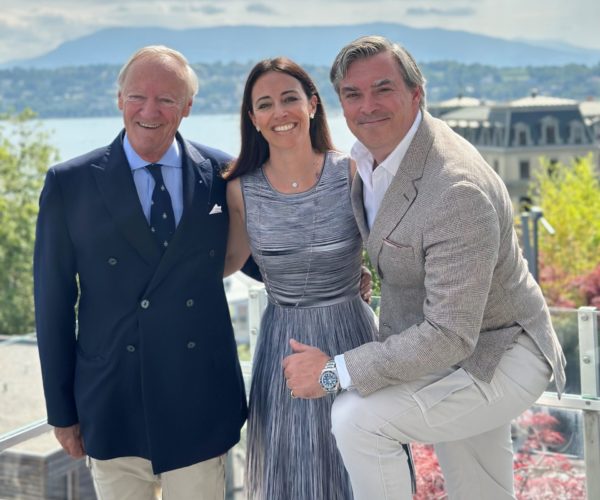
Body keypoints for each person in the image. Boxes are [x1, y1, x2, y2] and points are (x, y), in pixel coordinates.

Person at [283, 36, 566, 499]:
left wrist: (332, 372)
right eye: (353, 95)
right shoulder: (369, 160)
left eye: (383, 89)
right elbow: (399, 244)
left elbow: (451, 334)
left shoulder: (455, 189)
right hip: (451, 350)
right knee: (481, 491)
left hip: (501, 352)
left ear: (417, 94)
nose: (367, 106)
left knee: (357, 420)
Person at [33, 45, 249, 500]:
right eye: (137, 96)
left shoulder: (223, 173)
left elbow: (261, 256)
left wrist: (336, 275)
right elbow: (51, 304)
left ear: (187, 108)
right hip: (112, 398)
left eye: (167, 99)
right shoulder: (69, 183)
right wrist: (62, 411)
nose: (149, 110)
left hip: (199, 398)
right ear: (119, 99)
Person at [223, 57, 377, 499]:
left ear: (312, 105)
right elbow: (227, 261)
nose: (280, 113)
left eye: (290, 98)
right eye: (265, 104)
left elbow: (391, 249)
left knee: (359, 465)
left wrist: (362, 278)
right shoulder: (240, 189)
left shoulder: (350, 172)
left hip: (351, 338)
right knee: (290, 475)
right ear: (253, 119)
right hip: (282, 347)